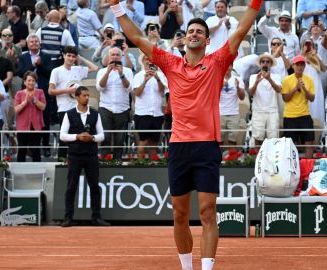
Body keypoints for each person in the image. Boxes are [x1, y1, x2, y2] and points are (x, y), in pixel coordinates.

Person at [109, 0, 262, 268]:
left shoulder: (217, 61)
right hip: (179, 146)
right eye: (190, 31)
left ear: (206, 40)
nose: (194, 34)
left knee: (207, 212)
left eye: (199, 32)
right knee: (179, 214)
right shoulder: (170, 63)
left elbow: (241, 30)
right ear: (184, 37)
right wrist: (116, 7)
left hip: (206, 146)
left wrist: (256, 3)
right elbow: (135, 36)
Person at [59, 86, 110, 227]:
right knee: (71, 187)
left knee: (94, 186)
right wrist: (77, 136)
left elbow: (102, 135)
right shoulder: (69, 114)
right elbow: (62, 135)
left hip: (91, 155)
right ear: (77, 97)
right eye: (84, 95)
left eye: (88, 95)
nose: (87, 98)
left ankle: (96, 217)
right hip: (75, 155)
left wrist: (92, 137)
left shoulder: (95, 114)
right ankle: (68, 217)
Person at [49, 46, 99, 161]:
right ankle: (61, 162)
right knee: (64, 137)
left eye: (73, 56)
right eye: (69, 56)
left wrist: (80, 57)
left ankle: (78, 161)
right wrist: (67, 91)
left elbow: (95, 68)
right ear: (64, 56)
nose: (71, 58)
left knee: (78, 137)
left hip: (78, 109)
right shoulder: (56, 71)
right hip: (63, 108)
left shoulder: (78, 69)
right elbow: (50, 91)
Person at [18, 34, 54, 158]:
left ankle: (45, 146)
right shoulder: (23, 57)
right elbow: (20, 73)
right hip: (26, 94)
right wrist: (33, 65)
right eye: (31, 41)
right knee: (27, 121)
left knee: (44, 121)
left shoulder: (46, 56)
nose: (34, 43)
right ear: (28, 44)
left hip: (42, 92)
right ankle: (28, 147)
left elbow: (50, 73)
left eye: (36, 41)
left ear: (40, 43)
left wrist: (40, 64)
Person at [95, 46, 133, 159]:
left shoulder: (128, 71)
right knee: (105, 136)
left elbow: (129, 88)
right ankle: (105, 161)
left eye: (117, 55)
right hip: (105, 107)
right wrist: (107, 73)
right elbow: (100, 87)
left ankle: (117, 161)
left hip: (122, 108)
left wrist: (121, 74)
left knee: (120, 138)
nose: (115, 57)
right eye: (113, 55)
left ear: (121, 57)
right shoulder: (102, 71)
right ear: (108, 57)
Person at [133, 54, 167, 159]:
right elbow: (137, 93)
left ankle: (153, 164)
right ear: (142, 62)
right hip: (143, 113)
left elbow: (162, 91)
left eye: (151, 59)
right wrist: (145, 81)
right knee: (143, 141)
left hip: (157, 113)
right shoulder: (138, 75)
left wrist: (157, 78)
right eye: (146, 59)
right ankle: (140, 164)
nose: (148, 61)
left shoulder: (161, 75)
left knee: (154, 143)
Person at [281, 55, 315, 158]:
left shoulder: (309, 80)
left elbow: (312, 98)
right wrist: (296, 88)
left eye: (302, 65)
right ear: (293, 66)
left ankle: (309, 167)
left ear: (304, 66)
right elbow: (285, 98)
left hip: (305, 115)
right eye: (297, 64)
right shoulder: (286, 80)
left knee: (309, 144)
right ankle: (293, 168)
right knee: (291, 145)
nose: (300, 67)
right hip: (290, 116)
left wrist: (304, 88)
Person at [248, 53, 281, 148]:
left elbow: (279, 90)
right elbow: (251, 93)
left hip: (272, 111)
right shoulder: (253, 77)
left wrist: (269, 79)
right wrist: (257, 82)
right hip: (258, 111)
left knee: (273, 140)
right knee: (258, 139)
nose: (265, 64)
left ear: (270, 64)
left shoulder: (276, 76)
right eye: (263, 62)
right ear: (260, 64)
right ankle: (258, 162)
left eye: (267, 62)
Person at [14, 71, 46, 162]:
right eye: (29, 80)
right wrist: (24, 103)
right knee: (22, 149)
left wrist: (35, 101)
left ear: (35, 82)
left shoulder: (40, 92)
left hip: (36, 125)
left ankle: (37, 170)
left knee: (36, 150)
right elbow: (16, 110)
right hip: (22, 126)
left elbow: (43, 107)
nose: (31, 82)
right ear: (24, 82)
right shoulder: (19, 94)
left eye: (33, 80)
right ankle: (20, 170)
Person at [220, 63, 245, 153]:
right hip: (220, 114)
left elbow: (242, 97)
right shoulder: (217, 78)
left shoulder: (238, 79)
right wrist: (219, 86)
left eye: (229, 65)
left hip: (234, 113)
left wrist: (238, 87)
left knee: (233, 140)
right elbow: (211, 97)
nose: (227, 68)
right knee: (219, 141)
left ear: (232, 67)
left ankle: (232, 161)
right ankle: (218, 163)